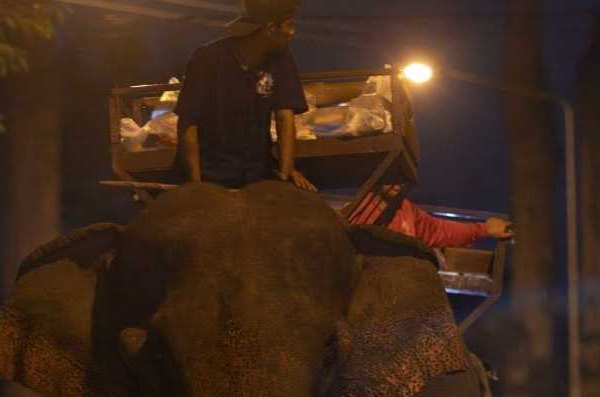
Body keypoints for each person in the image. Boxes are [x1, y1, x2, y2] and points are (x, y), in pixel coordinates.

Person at [175, 0, 316, 191]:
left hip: (257, 173)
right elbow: (188, 122)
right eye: (289, 25)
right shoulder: (208, 59)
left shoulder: (280, 58)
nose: (293, 33)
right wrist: (197, 186)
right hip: (212, 174)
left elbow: (285, 116)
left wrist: (286, 172)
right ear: (270, 28)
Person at [346, 183, 514, 248]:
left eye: (400, 174)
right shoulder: (356, 208)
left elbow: (438, 230)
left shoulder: (406, 209)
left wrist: (484, 229)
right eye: (389, 173)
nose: (396, 181)